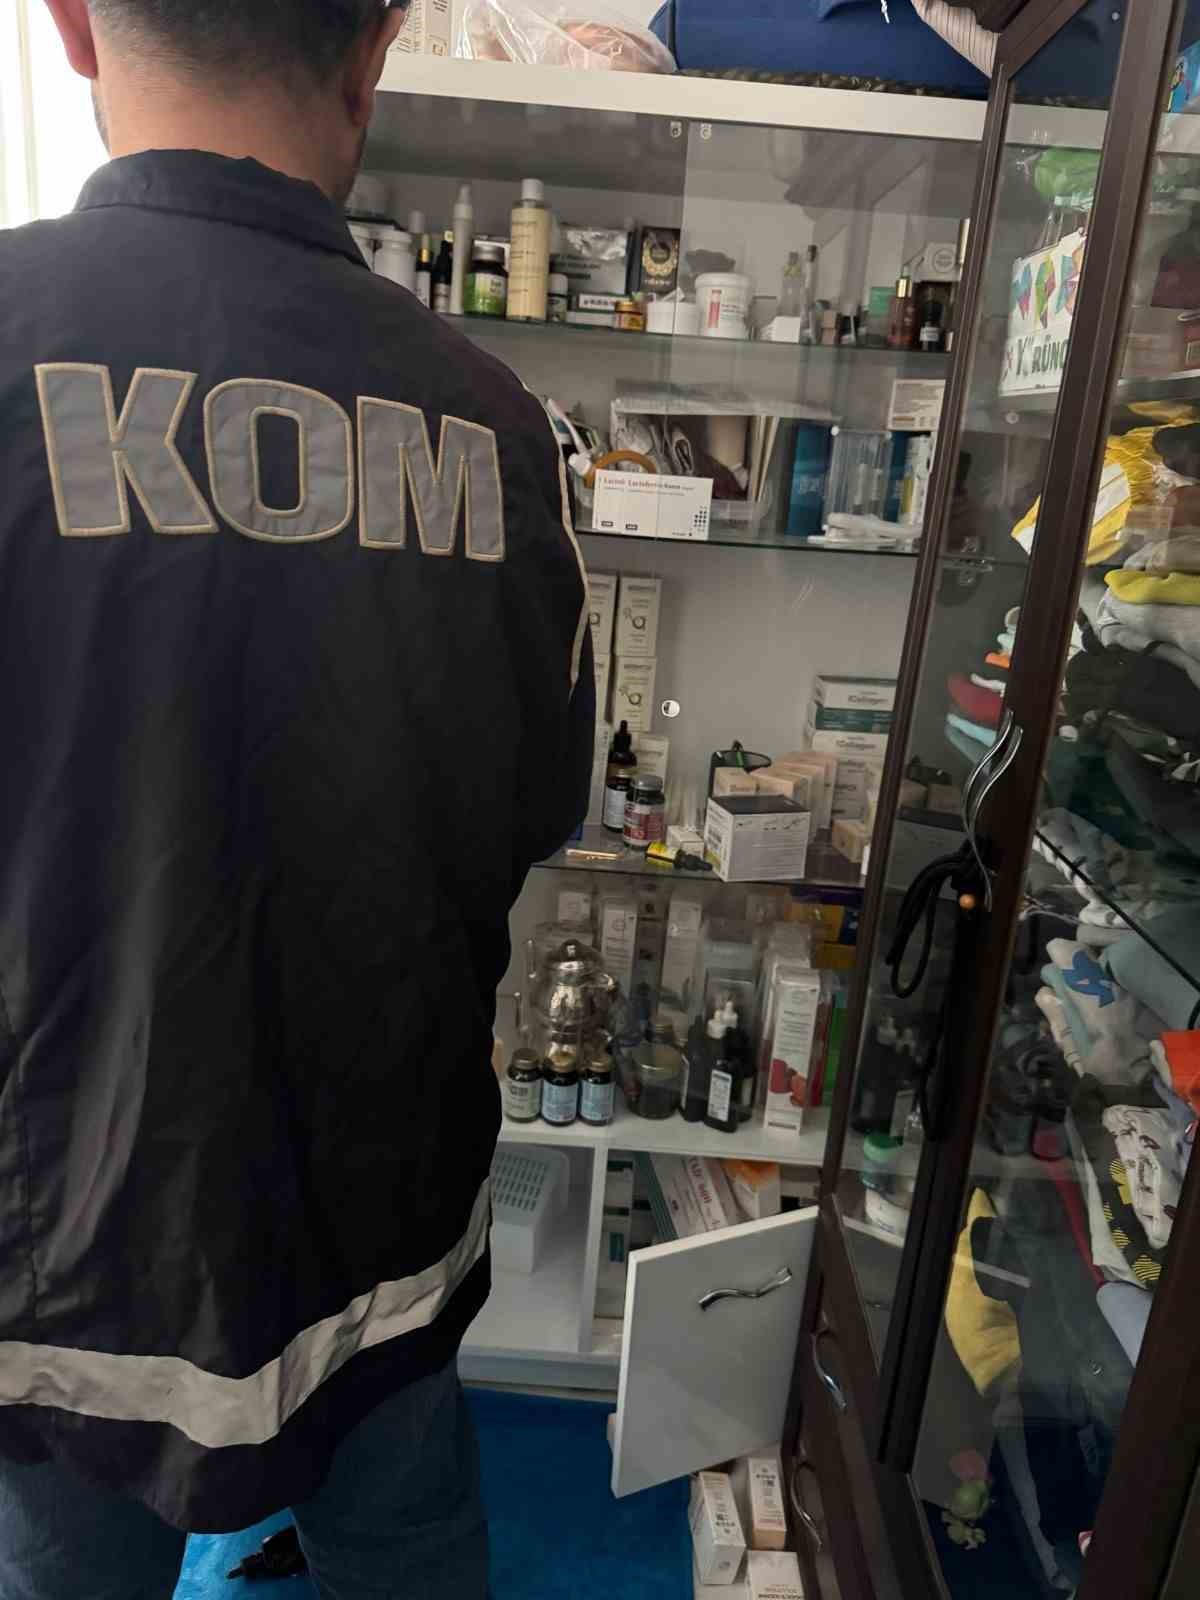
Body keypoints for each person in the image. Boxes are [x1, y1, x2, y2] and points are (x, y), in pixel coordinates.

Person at [0, 1, 594, 1594]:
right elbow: (537, 810)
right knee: (409, 1544)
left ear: (72, 26)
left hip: (63, 1250)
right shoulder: (496, 424)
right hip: (376, 1239)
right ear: (374, 47)